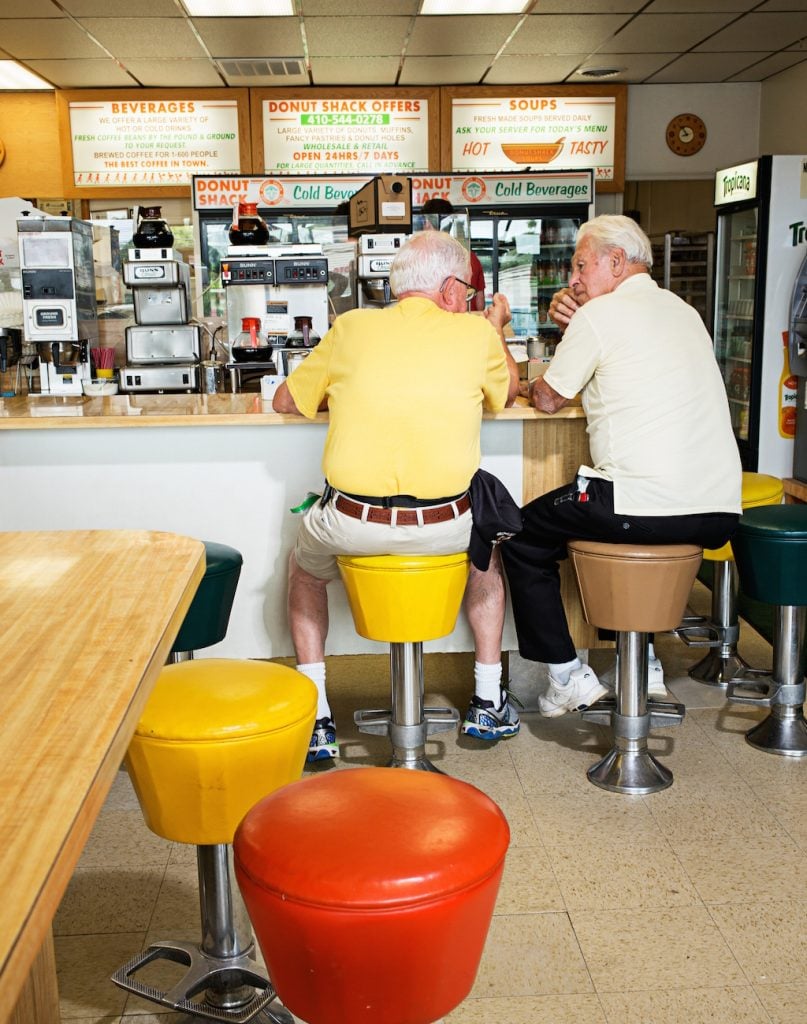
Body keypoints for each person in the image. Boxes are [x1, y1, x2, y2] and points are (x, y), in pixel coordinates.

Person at [273, 229, 521, 760]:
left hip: (351, 524)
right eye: (469, 295)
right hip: (446, 527)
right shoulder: (475, 335)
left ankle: (316, 716)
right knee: (486, 557)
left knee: (303, 569)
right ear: (452, 291)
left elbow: (284, 401)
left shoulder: (351, 327)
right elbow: (509, 394)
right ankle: (486, 699)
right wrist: (495, 325)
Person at [500, 214, 742, 718]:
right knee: (614, 531)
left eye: (581, 265)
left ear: (616, 262)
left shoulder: (599, 317)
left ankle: (566, 677)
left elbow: (547, 398)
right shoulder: (684, 310)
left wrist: (517, 357)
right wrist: (581, 324)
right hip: (718, 511)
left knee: (521, 538)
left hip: (641, 505)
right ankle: (645, 659)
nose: (573, 278)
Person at [421, 198, 486, 311]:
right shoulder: (469, 257)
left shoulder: (423, 258)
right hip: (468, 323)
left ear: (427, 222)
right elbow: (480, 301)